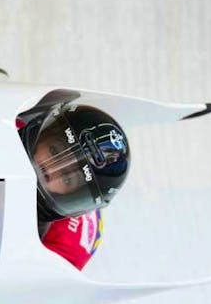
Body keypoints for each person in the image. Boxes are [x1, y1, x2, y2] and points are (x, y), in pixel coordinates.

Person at [18, 101, 130, 270]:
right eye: (54, 151)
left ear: (69, 195)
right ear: (43, 134)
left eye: (66, 178)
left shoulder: (63, 252)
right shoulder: (13, 126)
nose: (48, 169)